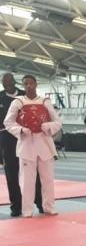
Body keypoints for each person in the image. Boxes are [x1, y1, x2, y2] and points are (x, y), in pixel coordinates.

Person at [3, 74, 62, 217]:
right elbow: (8, 122)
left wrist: (48, 126)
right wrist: (20, 130)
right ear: (23, 85)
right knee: (26, 180)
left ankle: (48, 206)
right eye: (26, 84)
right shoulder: (18, 102)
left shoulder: (45, 101)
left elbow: (58, 122)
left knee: (47, 179)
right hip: (26, 143)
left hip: (44, 143)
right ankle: (26, 210)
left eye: (31, 83)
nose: (29, 86)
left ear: (36, 84)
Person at [0, 73, 43, 217]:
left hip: (27, 137)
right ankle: (16, 206)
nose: (7, 85)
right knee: (11, 174)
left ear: (14, 82)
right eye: (4, 83)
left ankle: (40, 202)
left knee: (34, 171)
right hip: (7, 139)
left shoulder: (25, 96)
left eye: (9, 82)